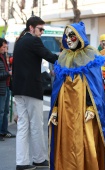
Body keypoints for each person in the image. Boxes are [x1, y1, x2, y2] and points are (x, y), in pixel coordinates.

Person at [48, 22, 105, 170]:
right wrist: (55, 109)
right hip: (65, 113)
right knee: (66, 144)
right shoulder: (63, 57)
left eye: (72, 36)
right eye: (66, 36)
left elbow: (94, 88)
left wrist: (91, 108)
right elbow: (57, 87)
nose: (68, 39)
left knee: (85, 144)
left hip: (84, 111)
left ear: (80, 37)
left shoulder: (90, 55)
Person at [12, 16, 58, 170]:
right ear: (31, 28)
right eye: (40, 29)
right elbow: (50, 56)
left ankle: (22, 162)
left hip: (18, 90)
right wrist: (67, 59)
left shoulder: (20, 41)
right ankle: (38, 159)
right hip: (31, 89)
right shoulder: (33, 40)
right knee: (36, 125)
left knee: (23, 126)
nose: (42, 32)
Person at [0, 38, 15, 141]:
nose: (5, 49)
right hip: (1, 88)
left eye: (6, 47)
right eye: (3, 47)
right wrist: (8, 73)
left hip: (6, 86)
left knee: (5, 111)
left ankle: (4, 131)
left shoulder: (3, 57)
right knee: (1, 111)